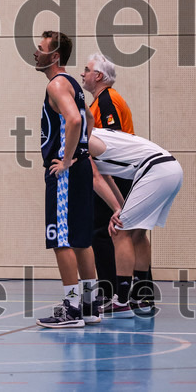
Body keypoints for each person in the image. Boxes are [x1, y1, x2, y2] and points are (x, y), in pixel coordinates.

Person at [33, 31, 101, 328]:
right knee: (82, 240)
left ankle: (72, 309)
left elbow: (75, 120)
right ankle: (90, 305)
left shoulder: (57, 84)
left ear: (55, 55)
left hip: (67, 173)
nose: (36, 52)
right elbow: (90, 120)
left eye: (41, 48)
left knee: (62, 240)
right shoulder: (74, 84)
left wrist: (66, 160)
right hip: (82, 169)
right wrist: (81, 154)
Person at [88, 128, 183, 317]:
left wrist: (116, 211)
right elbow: (106, 175)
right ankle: (141, 297)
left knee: (118, 231)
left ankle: (121, 301)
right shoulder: (96, 133)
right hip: (171, 168)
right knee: (138, 233)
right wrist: (120, 207)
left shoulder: (83, 139)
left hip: (154, 170)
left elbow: (95, 178)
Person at [80, 53, 136, 304]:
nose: (83, 74)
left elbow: (113, 142)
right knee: (104, 231)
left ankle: (110, 291)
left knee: (103, 232)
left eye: (87, 70)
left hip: (116, 175)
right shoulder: (97, 103)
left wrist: (109, 185)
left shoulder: (107, 100)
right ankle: (118, 290)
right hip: (112, 174)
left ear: (98, 76)